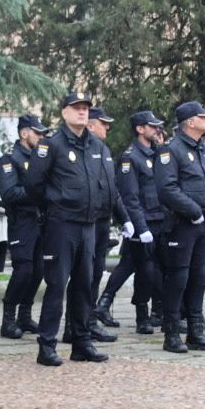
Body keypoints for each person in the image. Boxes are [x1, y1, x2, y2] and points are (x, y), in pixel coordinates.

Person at [23, 91, 118, 366]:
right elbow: (33, 184)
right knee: (56, 285)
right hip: (61, 225)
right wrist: (54, 207)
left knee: (84, 286)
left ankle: (81, 341)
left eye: (86, 108)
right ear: (64, 112)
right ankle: (47, 345)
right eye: (76, 108)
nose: (82, 112)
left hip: (89, 225)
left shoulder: (96, 146)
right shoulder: (51, 145)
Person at [154, 101, 205, 353]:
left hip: (203, 225)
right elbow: (167, 189)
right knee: (178, 277)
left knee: (199, 277)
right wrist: (194, 211)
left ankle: (196, 331)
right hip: (182, 224)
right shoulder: (170, 150)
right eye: (203, 116)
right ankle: (172, 333)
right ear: (190, 122)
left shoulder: (204, 150)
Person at [101, 110, 166, 333]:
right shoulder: (131, 157)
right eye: (152, 126)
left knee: (148, 268)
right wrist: (139, 226)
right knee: (145, 269)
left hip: (160, 219)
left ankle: (153, 311)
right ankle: (142, 316)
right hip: (144, 221)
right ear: (140, 129)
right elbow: (129, 196)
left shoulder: (157, 153)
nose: (157, 129)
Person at [0, 113, 49, 339]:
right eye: (37, 132)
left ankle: (24, 315)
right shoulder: (10, 160)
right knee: (23, 270)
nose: (41, 136)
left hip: (40, 222)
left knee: (39, 270)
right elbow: (9, 193)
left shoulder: (41, 158)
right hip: (22, 222)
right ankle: (8, 317)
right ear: (24, 133)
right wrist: (38, 193)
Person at [79, 105, 123, 343]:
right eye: (103, 123)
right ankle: (80, 324)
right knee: (84, 275)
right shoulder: (85, 148)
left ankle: (89, 320)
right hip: (89, 220)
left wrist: (125, 219)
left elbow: (112, 189)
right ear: (90, 125)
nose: (107, 127)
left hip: (103, 219)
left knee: (96, 273)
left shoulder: (103, 149)